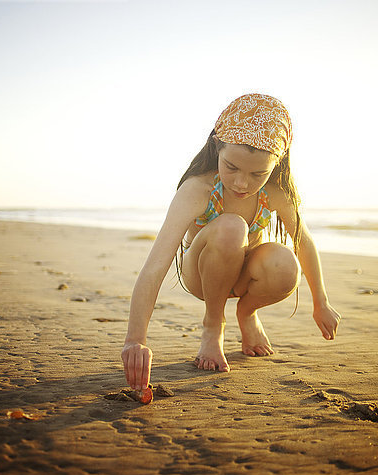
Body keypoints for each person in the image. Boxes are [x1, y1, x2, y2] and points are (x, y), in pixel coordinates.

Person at [121, 93, 341, 391]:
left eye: (257, 174)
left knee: (285, 262)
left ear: (277, 163)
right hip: (202, 275)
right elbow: (155, 266)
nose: (241, 183)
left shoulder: (276, 193)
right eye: (232, 167)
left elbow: (304, 242)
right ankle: (214, 325)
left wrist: (321, 303)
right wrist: (135, 340)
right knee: (231, 227)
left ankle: (246, 312)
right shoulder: (198, 189)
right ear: (216, 147)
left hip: (245, 278)